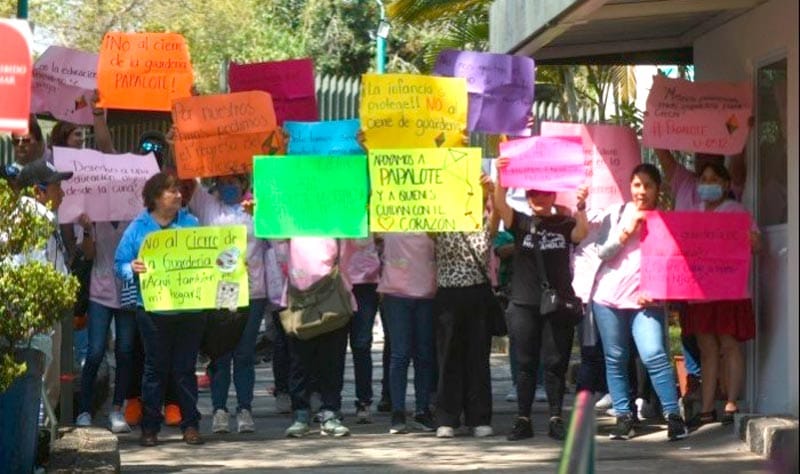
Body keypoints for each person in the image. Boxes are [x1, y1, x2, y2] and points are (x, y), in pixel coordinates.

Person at [591, 163, 689, 441]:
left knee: (654, 354)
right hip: (609, 298)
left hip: (647, 301)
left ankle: (673, 416)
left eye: (648, 185)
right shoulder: (616, 213)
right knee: (615, 358)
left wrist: (659, 292)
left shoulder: (667, 222)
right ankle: (624, 417)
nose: (642, 191)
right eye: (637, 185)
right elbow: (602, 252)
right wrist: (626, 231)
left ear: (658, 189)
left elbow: (676, 265)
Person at [493, 158, 589, 440]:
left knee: (555, 363)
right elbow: (499, 204)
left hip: (557, 304)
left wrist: (581, 206)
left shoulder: (564, 222)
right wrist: (501, 174)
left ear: (554, 195)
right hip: (524, 304)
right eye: (533, 192)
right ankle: (523, 419)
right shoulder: (520, 222)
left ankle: (556, 418)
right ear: (526, 195)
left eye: (544, 193)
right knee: (525, 363)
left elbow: (581, 233)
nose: (538, 197)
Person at [114, 172, 207, 446]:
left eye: (179, 190)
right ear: (155, 197)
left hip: (190, 310)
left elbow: (206, 259)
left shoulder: (191, 224)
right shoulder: (138, 228)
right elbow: (119, 264)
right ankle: (150, 428)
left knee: (185, 369)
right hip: (153, 312)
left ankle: (191, 425)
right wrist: (131, 268)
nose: (178, 195)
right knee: (155, 369)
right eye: (171, 191)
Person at [0, 160, 73, 472]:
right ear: (38, 191)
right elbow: (46, 277)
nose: (62, 193)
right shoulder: (37, 218)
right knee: (22, 409)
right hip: (26, 331)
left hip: (21, 328)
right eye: (57, 186)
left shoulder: (19, 218)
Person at [677, 163, 760, 428]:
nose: (707, 184)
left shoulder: (737, 211)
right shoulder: (692, 213)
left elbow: (757, 244)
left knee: (728, 344)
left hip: (728, 290)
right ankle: (707, 407)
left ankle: (731, 402)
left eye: (713, 179)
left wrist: (747, 237)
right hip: (700, 292)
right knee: (707, 349)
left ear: (725, 184)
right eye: (703, 179)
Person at [188, 174, 269, 434]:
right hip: (221, 290)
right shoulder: (207, 205)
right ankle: (219, 409)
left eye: (234, 180)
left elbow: (277, 240)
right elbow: (186, 176)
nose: (229, 185)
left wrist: (260, 212)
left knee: (244, 353)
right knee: (221, 353)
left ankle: (245, 409)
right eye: (224, 180)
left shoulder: (259, 205)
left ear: (244, 182)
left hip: (252, 290)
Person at [432, 173, 495, 439]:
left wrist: (492, 190)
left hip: (478, 295)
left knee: (478, 358)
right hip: (448, 296)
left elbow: (499, 215)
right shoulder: (439, 222)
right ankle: (447, 417)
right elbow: (418, 211)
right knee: (448, 358)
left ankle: (479, 417)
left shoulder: (486, 221)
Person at [283, 238, 354, 438]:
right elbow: (277, 246)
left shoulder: (338, 227)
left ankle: (330, 412)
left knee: (332, 361)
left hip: (332, 300)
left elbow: (359, 243)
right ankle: (301, 414)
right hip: (300, 299)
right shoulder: (290, 227)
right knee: (299, 362)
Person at [377, 233, 437, 434]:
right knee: (400, 355)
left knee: (424, 355)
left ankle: (422, 409)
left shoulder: (434, 222)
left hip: (427, 292)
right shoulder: (386, 221)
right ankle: (398, 412)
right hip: (396, 293)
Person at [341, 237, 381, 424]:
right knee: (334, 346)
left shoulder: (372, 216)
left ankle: (364, 401)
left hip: (367, 281)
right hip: (336, 280)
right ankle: (331, 403)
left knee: (362, 344)